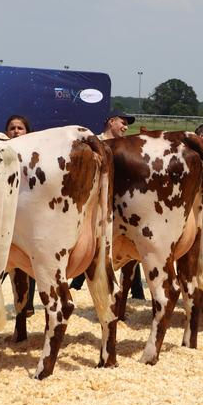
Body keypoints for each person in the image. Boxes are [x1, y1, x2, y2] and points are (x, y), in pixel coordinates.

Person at [70, 110, 145, 299]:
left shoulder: (127, 148)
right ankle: (77, 283)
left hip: (118, 204)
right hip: (95, 202)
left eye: (127, 124)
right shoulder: (93, 142)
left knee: (128, 247)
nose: (126, 127)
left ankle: (137, 292)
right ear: (111, 122)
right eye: (123, 122)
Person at [4, 115, 37, 317]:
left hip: (25, 218)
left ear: (27, 132)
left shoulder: (35, 159)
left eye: (20, 128)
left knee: (29, 265)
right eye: (12, 128)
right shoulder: (0, 155)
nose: (16, 131)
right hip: (4, 219)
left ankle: (27, 307)